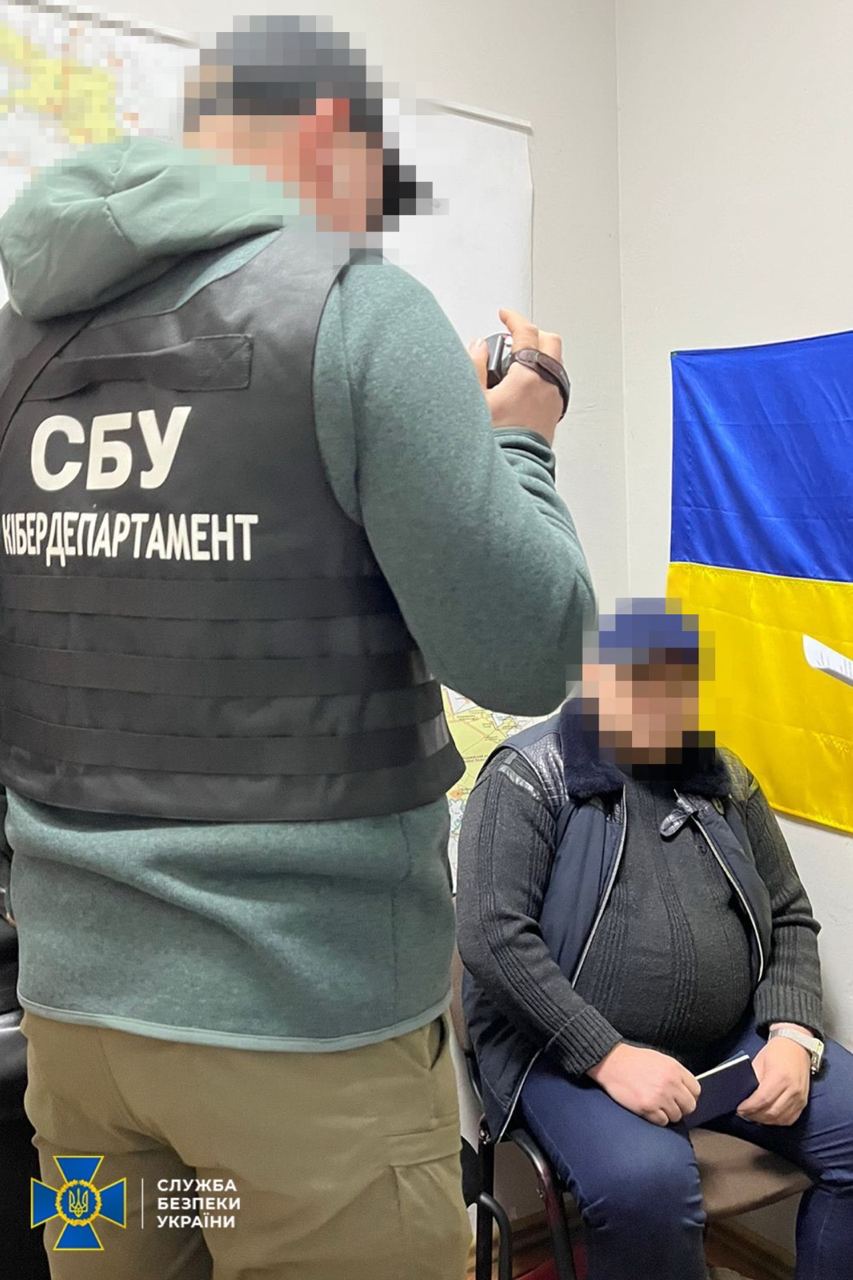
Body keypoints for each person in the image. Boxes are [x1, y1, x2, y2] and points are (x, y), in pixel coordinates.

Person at [0, 15, 594, 1280]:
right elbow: (529, 648)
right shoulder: (356, 310)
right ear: (328, 131)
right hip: (303, 1056)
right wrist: (521, 435)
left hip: (79, 1050)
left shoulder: (20, 354)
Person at [456, 599, 853, 1280]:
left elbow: (788, 912)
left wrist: (793, 1033)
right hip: (566, 1054)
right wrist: (607, 1055)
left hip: (728, 1045)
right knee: (647, 1188)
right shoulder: (528, 775)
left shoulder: (724, 777)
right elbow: (492, 937)